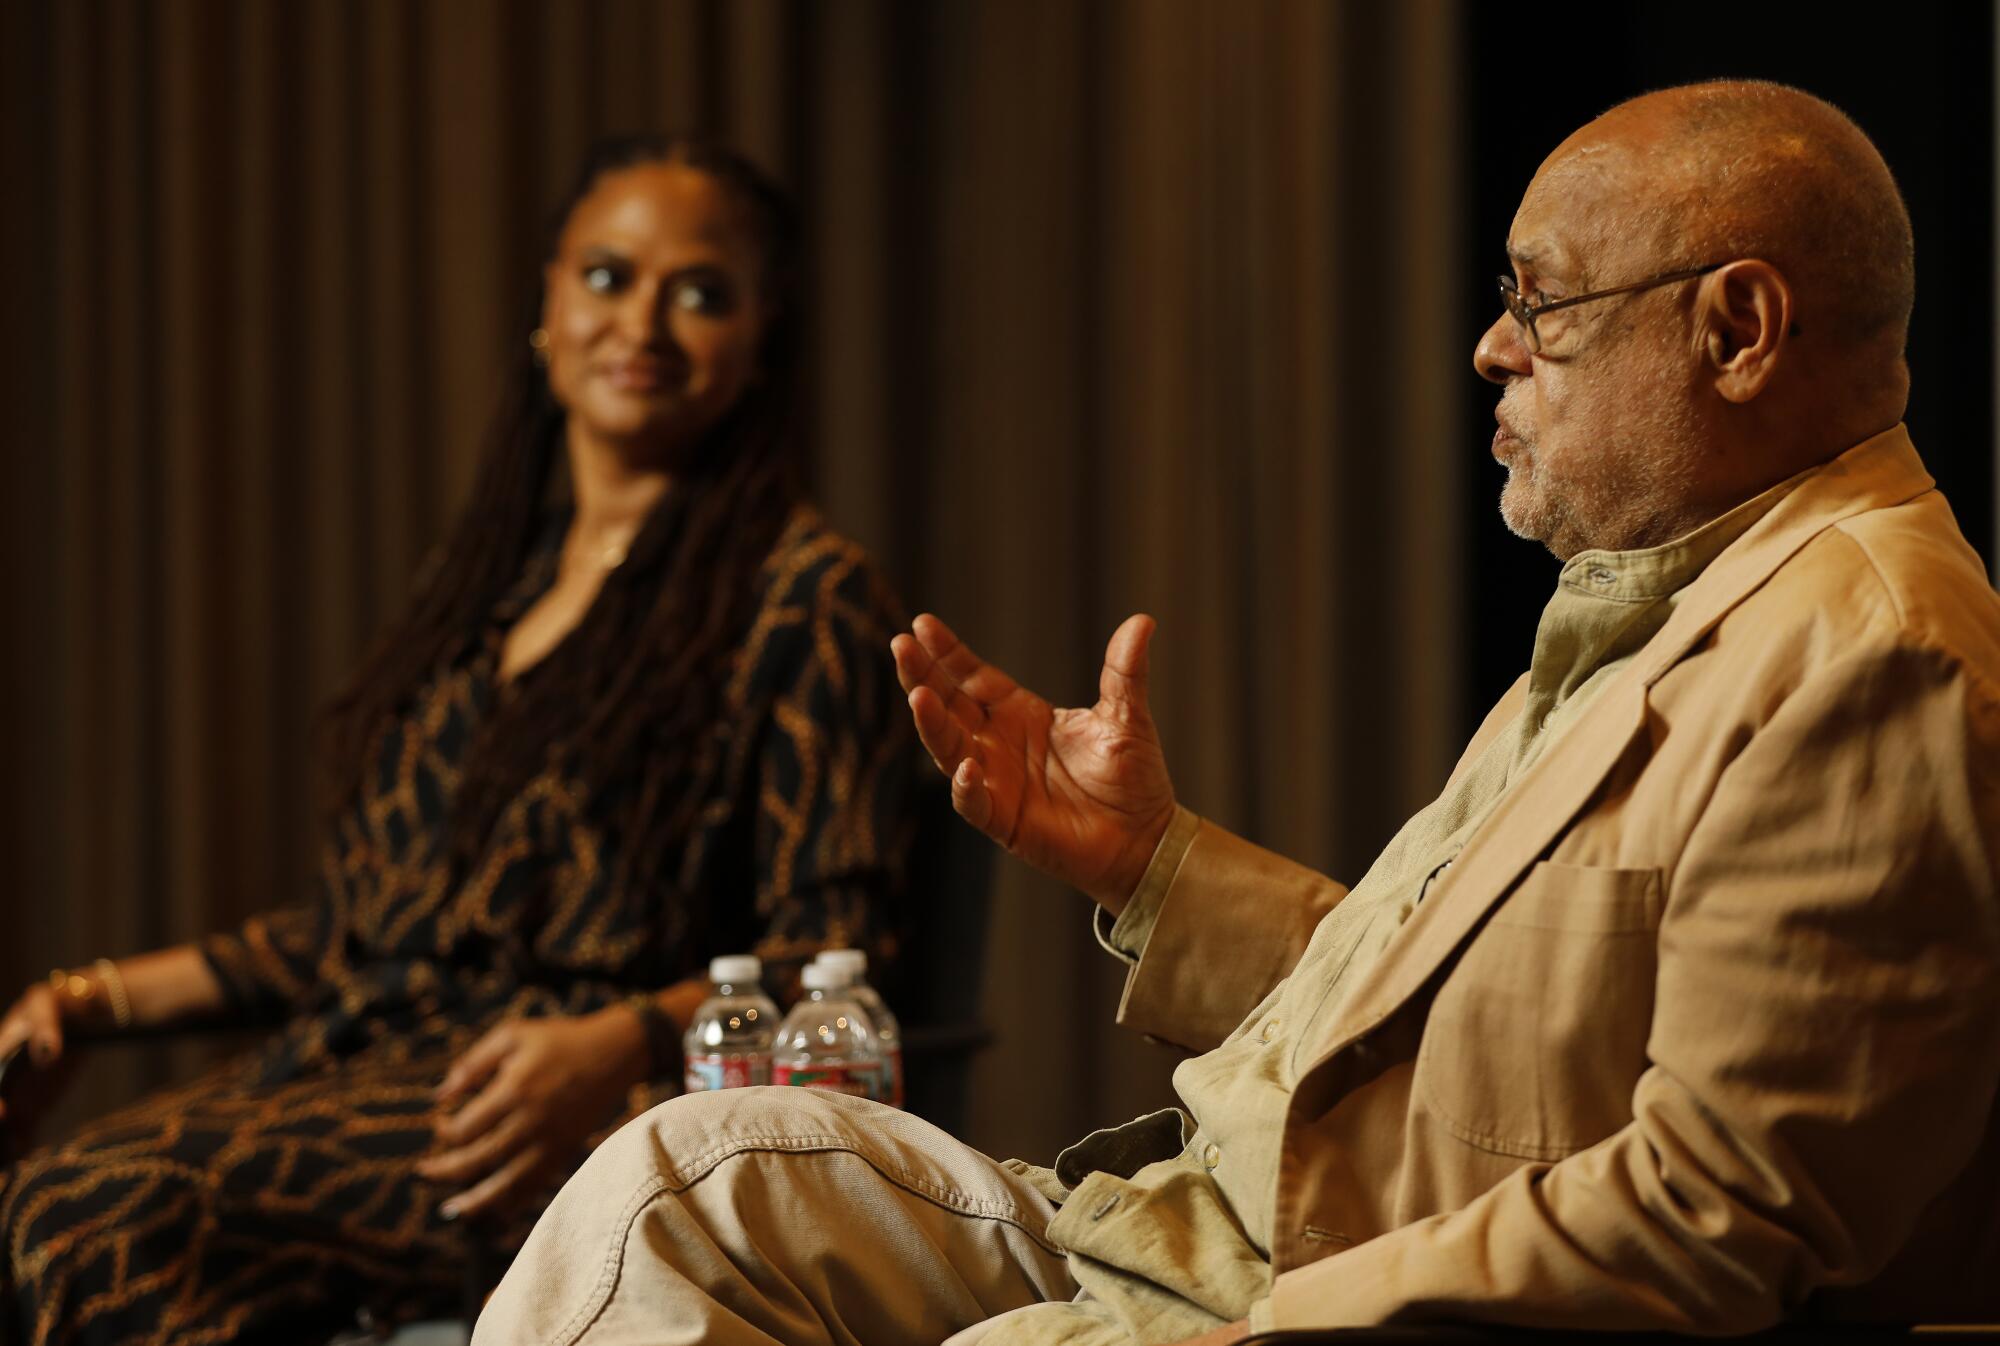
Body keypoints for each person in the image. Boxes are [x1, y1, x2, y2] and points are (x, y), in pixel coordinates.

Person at [472, 81, 2000, 1346]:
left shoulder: (1868, 658)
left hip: (1285, 1298)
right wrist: (1151, 864)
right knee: (692, 1179)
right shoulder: (1663, 594)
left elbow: (1716, 1217)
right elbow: (1450, 1022)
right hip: (1180, 1235)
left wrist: (1240, 1331)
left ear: (1736, 330)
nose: (1493, 345)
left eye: (1541, 301)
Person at [0, 135, 917, 1344]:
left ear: (757, 347)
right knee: (44, 1208)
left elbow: (831, 952)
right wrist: (86, 1000)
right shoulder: (488, 586)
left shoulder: (802, 593)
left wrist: (612, 1041)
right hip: (349, 1066)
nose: (640, 319)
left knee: (89, 1208)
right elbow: (351, 933)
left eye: (698, 293)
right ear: (544, 305)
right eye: (605, 275)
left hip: (551, 1113)